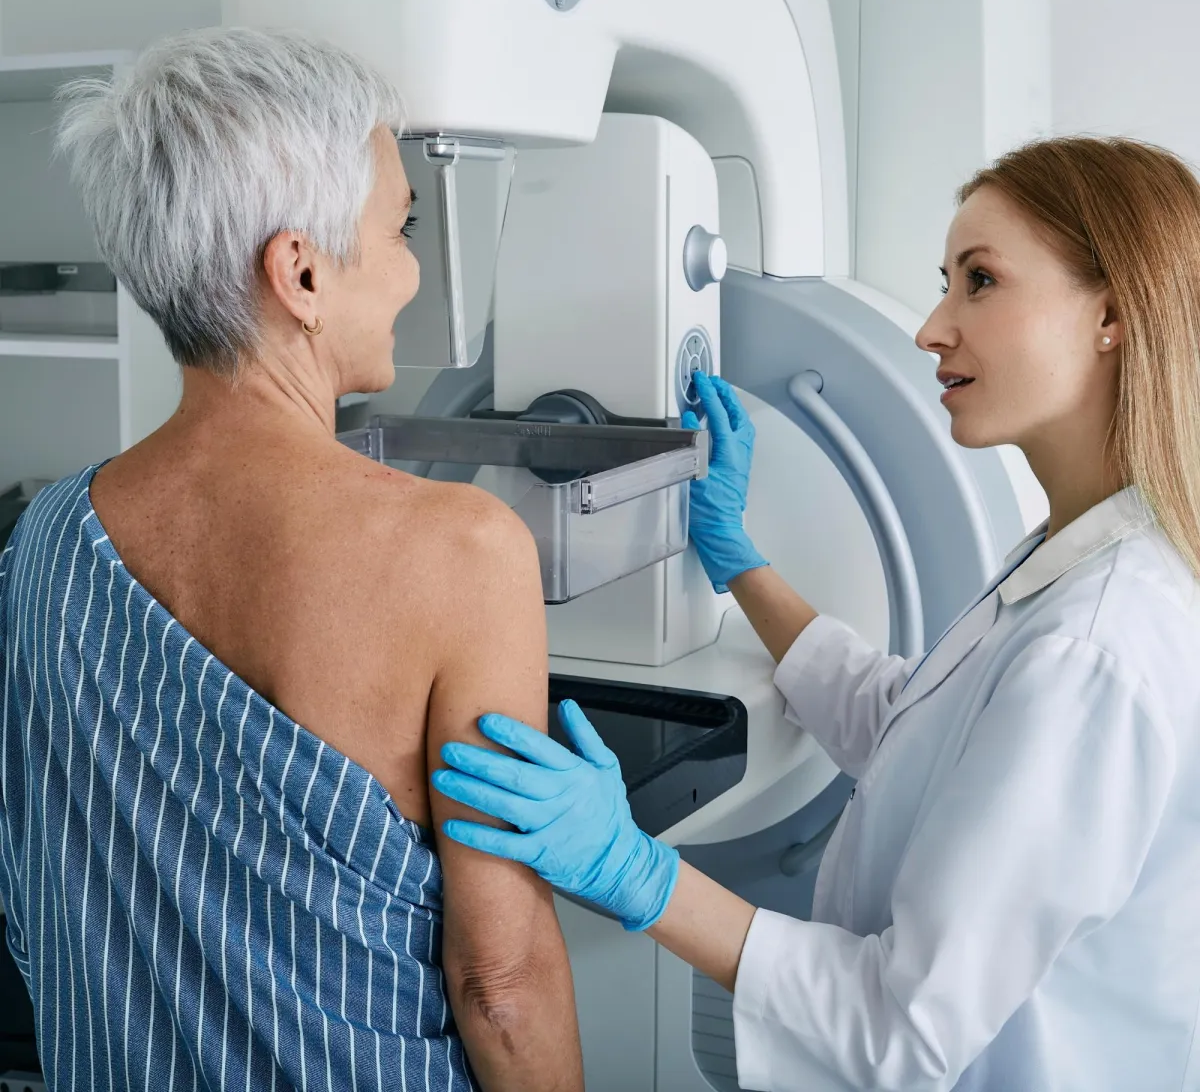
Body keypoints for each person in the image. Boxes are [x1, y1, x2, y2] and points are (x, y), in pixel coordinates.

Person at [434, 136, 1200, 1091]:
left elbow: (899, 1030)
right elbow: (918, 729)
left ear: (1112, 316)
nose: (931, 326)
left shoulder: (1098, 644)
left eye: (981, 281)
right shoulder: (1080, 553)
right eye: (946, 281)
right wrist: (739, 557)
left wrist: (635, 872)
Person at [0, 28, 583, 1092]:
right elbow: (503, 987)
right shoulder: (460, 551)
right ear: (301, 271)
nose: (412, 268)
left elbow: (35, 895)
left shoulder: (45, 541)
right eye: (402, 227)